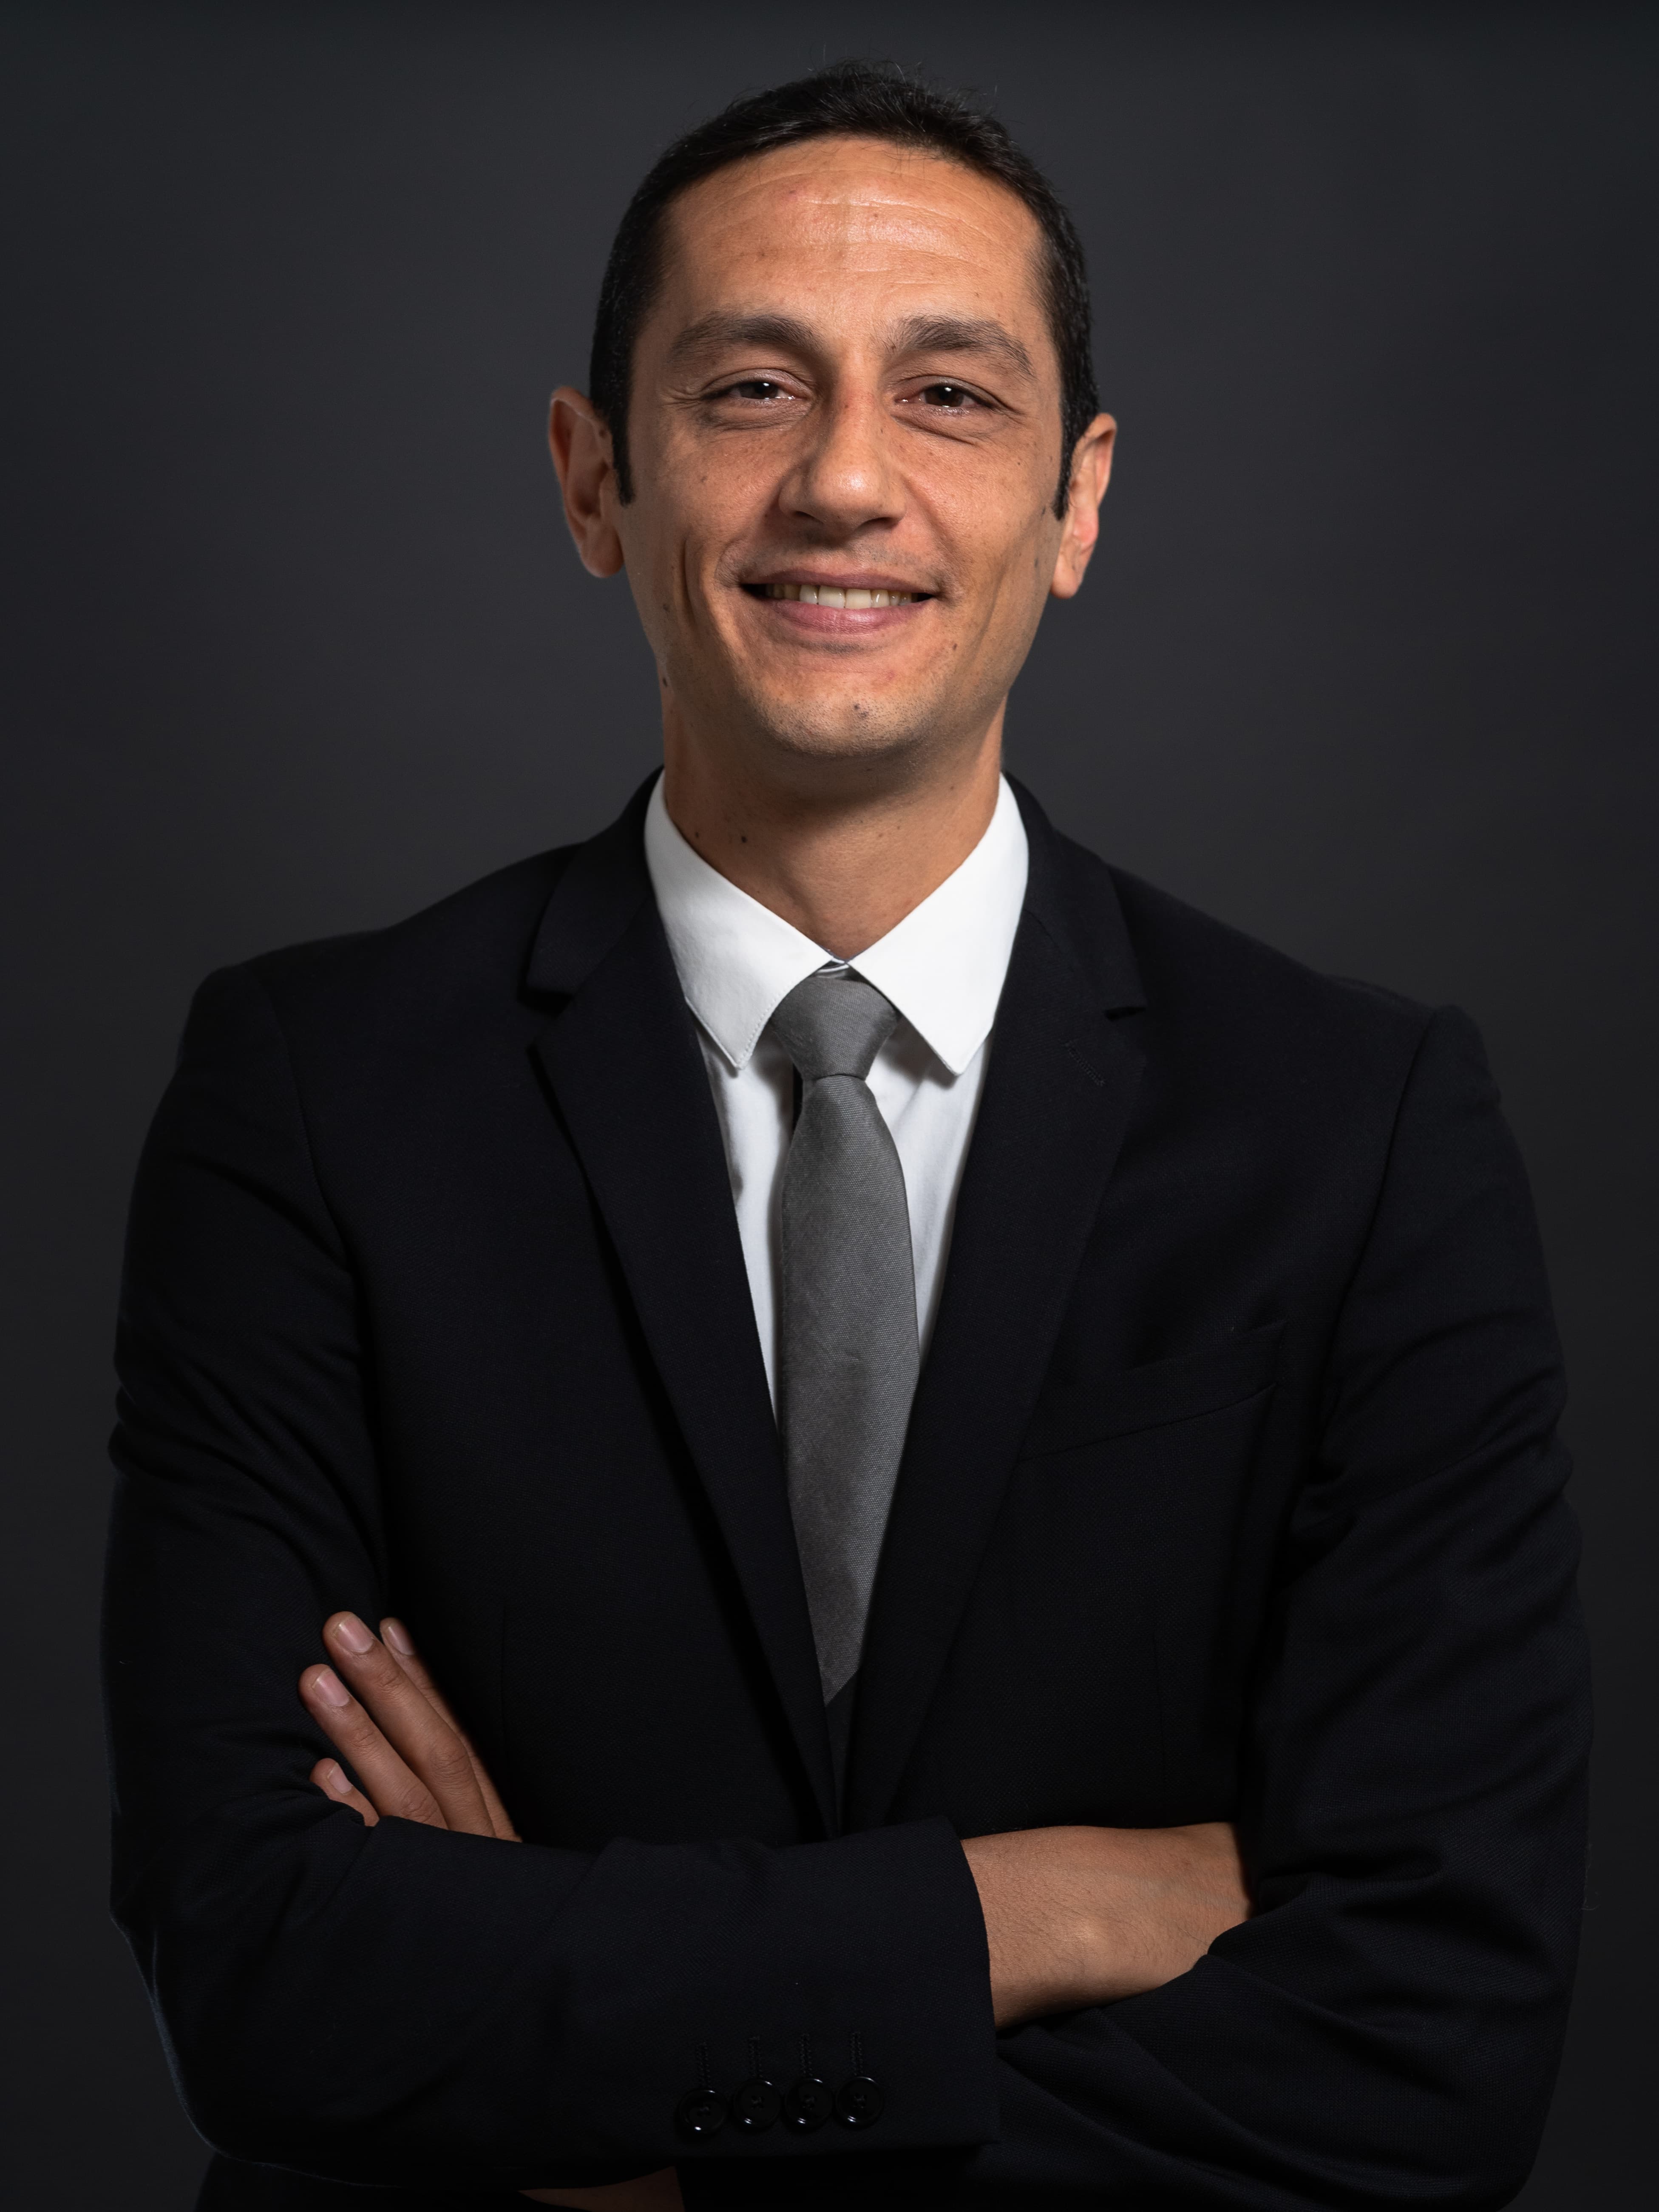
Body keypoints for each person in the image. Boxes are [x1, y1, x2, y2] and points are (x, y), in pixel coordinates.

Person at [104, 61, 1589, 2212]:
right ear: (593, 476)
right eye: (748, 390)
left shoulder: (1358, 1129)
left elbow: (1428, 2050)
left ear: (1076, 503)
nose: (846, 482)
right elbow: (263, 1974)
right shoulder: (313, 1092)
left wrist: (613, 2132)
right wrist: (1031, 1907)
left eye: (951, 397)